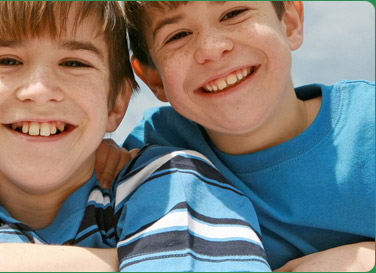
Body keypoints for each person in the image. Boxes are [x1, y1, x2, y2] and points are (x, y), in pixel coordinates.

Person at [0, 2, 271, 272]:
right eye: (7, 61)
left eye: (74, 62)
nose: (40, 90)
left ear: (116, 103)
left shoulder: (172, 181)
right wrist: (125, 261)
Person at [121, 1, 375, 271]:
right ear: (154, 79)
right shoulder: (150, 153)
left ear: (290, 22)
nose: (212, 48)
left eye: (233, 14)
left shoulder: (367, 123)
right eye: (178, 35)